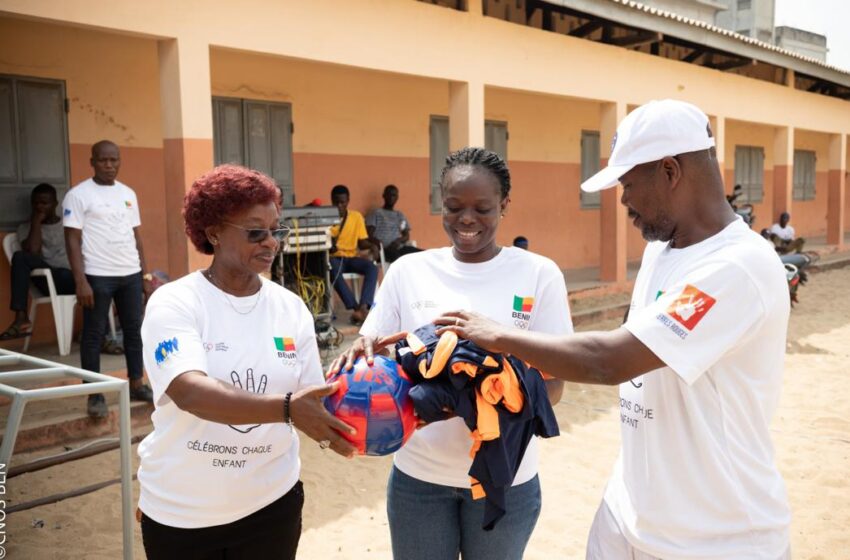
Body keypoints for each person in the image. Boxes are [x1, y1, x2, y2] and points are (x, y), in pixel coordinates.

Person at [435, 101, 791, 559]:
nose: (623, 202)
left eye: (627, 184)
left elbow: (611, 361)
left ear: (670, 171)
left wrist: (497, 334)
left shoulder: (737, 267)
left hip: (716, 537)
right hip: (629, 516)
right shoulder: (663, 252)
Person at [330, 147, 573, 560]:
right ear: (440, 203)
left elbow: (553, 389)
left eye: (483, 208)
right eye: (454, 207)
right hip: (418, 480)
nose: (467, 219)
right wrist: (360, 359)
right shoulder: (409, 271)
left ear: (505, 205)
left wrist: (471, 399)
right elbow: (374, 352)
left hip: (506, 480)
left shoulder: (538, 274)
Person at [138, 165, 356, 559]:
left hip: (271, 507)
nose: (271, 242)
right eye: (256, 232)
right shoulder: (176, 302)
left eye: (276, 231)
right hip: (182, 514)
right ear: (214, 233)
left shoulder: (290, 308)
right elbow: (190, 392)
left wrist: (376, 377)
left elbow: (313, 400)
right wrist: (287, 409)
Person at [63, 140, 154, 418]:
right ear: (92, 162)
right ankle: (95, 394)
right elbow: (72, 239)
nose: (109, 165)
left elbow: (136, 236)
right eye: (103, 160)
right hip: (97, 275)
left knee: (134, 331)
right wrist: (81, 281)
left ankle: (136, 383)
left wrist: (145, 274)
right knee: (93, 335)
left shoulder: (128, 193)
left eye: (114, 160)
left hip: (130, 274)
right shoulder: (78, 195)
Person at [1, 183, 75, 340]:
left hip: (72, 280)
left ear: (55, 204)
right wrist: (36, 222)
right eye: (35, 203)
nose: (39, 207)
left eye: (44, 203)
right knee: (20, 256)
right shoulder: (25, 228)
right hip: (47, 281)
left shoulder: (69, 224)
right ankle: (21, 318)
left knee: (64, 273)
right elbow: (33, 251)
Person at [329, 184, 378, 324]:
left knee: (372, 268)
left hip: (351, 258)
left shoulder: (356, 217)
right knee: (332, 269)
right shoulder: (326, 217)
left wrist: (372, 246)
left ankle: (364, 306)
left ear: (348, 201)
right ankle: (356, 308)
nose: (339, 205)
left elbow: (362, 243)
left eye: (342, 202)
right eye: (336, 202)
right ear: (331, 200)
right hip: (334, 258)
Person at [366, 184, 422, 262]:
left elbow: (406, 235)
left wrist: (398, 241)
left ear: (397, 197)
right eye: (389, 195)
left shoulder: (399, 215)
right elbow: (369, 235)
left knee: (423, 254)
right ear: (384, 196)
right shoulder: (376, 213)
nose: (391, 198)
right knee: (399, 259)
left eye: (394, 195)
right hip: (384, 249)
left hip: (399, 247)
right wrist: (378, 243)